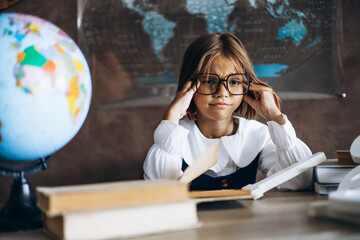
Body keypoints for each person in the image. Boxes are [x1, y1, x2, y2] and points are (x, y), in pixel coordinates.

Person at [143, 32, 313, 191]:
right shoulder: (174, 139)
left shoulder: (257, 134)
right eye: (209, 80)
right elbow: (161, 190)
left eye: (234, 81)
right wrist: (172, 116)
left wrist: (273, 115)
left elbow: (301, 181)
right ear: (189, 86)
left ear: (246, 87)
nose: (222, 92)